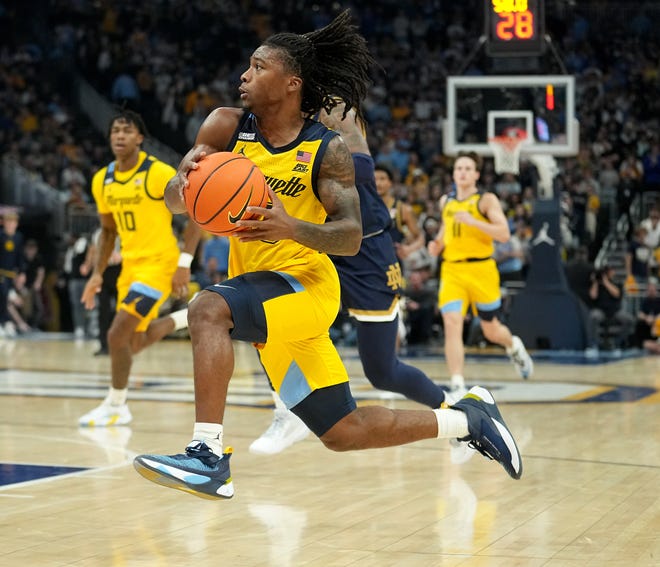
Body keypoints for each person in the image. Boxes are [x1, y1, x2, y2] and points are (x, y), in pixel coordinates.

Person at [133, 11, 523, 500]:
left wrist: (290, 226)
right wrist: (181, 178)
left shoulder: (326, 149)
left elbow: (351, 236)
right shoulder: (225, 126)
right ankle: (467, 419)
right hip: (261, 293)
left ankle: (206, 455)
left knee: (206, 309)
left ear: (291, 83)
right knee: (343, 432)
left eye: (257, 67)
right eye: (247, 67)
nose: (244, 76)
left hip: (307, 286)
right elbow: (176, 201)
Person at [248, 102, 463, 456]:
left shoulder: (343, 131)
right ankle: (286, 411)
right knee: (263, 316)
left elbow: (356, 155)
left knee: (383, 371)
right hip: (316, 248)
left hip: (366, 256)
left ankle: (452, 411)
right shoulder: (286, 134)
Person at [78, 109, 201, 427]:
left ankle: (116, 404)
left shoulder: (158, 173)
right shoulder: (102, 179)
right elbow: (107, 232)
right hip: (130, 267)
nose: (120, 135)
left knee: (116, 335)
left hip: (158, 265)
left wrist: (183, 264)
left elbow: (195, 216)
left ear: (140, 138)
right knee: (130, 343)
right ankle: (183, 317)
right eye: (115, 130)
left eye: (127, 130)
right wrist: (96, 274)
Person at [427, 151, 534, 392]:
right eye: (458, 168)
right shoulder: (447, 201)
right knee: (452, 323)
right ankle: (457, 383)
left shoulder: (486, 200)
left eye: (467, 168)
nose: (462, 172)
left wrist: (474, 222)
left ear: (476, 174)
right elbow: (446, 229)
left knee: (491, 329)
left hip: (482, 269)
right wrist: (437, 244)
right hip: (452, 270)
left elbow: (504, 234)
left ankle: (514, 346)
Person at [375, 163, 426, 276]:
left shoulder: (402, 209)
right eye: (374, 179)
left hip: (392, 265)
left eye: (382, 179)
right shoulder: (364, 208)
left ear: (390, 182)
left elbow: (420, 237)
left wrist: (408, 249)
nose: (378, 183)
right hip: (370, 263)